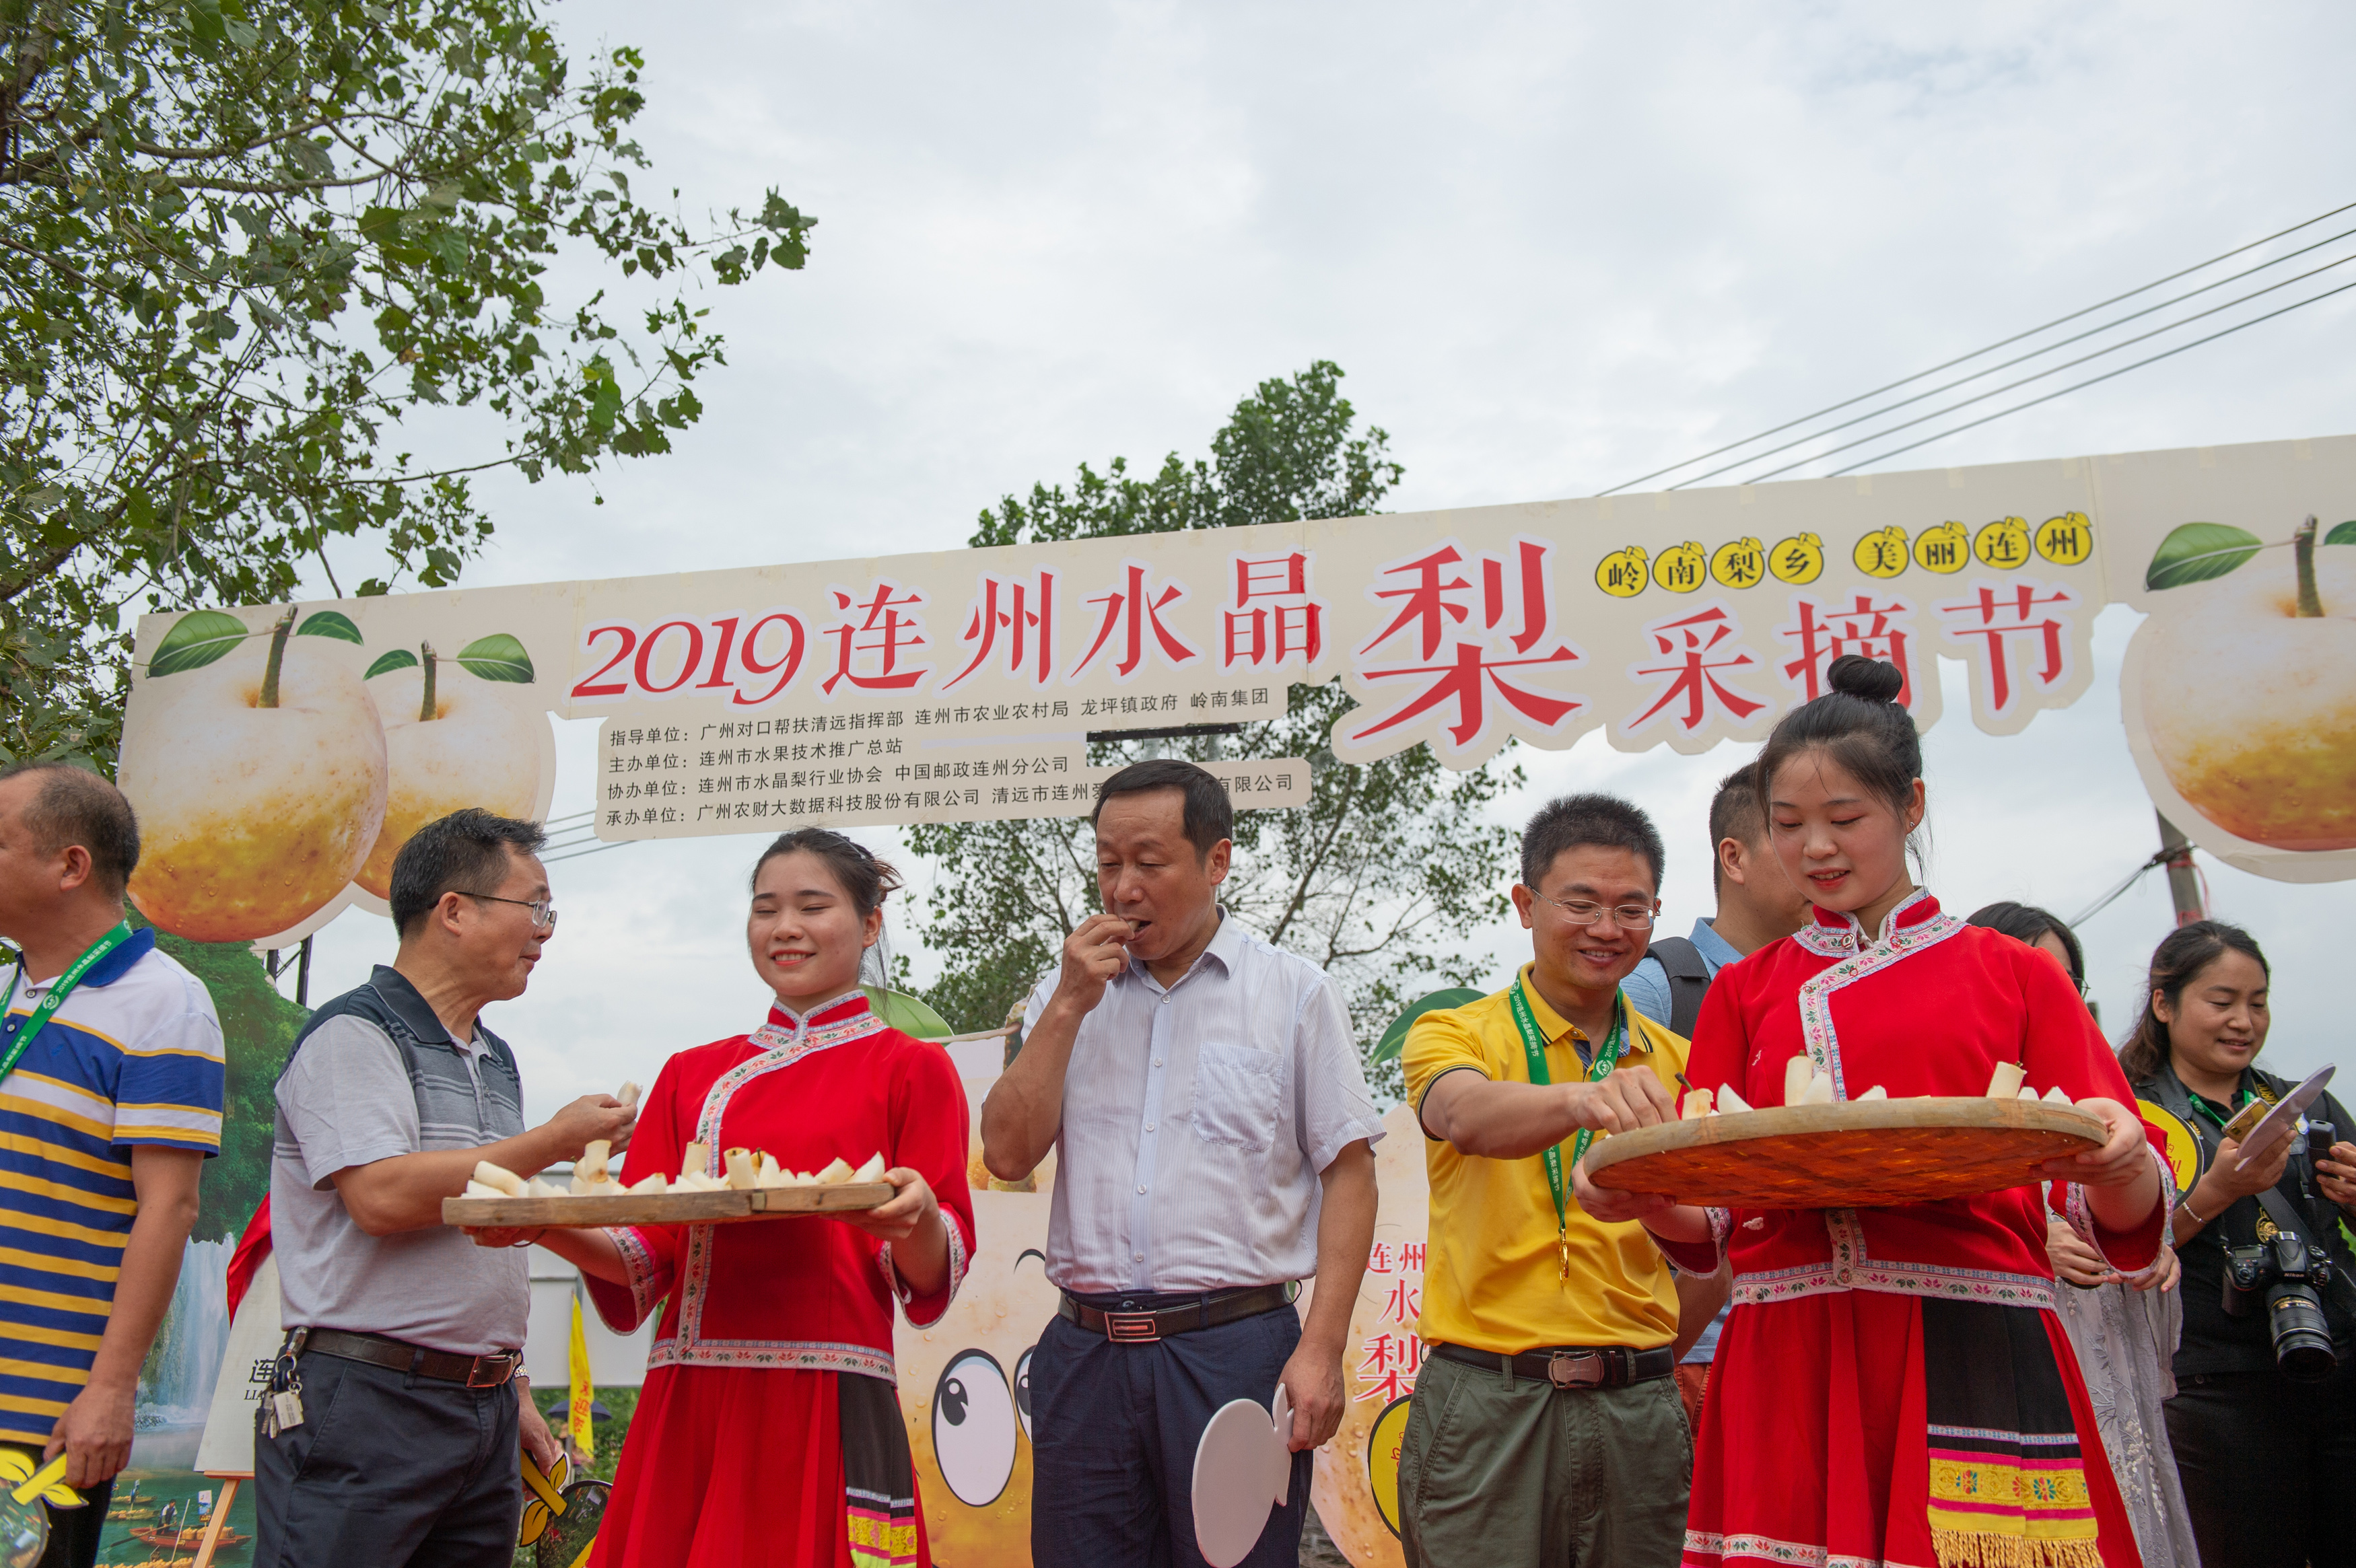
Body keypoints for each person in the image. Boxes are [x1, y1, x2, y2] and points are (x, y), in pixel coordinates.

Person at [1587, 655, 2169, 1568]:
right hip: (1790, 1343)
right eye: (1788, 824)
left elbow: (2115, 1216)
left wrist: (2122, 1162)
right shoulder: (1743, 993)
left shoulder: (2012, 974)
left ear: (1911, 806)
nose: (1815, 847)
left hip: (1968, 1329)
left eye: (1844, 817)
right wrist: (1644, 1195)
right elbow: (1716, 1219)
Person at [527, 828, 977, 1568]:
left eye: (812, 906)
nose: (785, 927)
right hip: (690, 1397)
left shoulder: (912, 1068)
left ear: (870, 924)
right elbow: (643, 1257)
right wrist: (538, 1223)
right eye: (766, 909)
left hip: (826, 1395)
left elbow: (931, 1274)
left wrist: (918, 1216)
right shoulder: (690, 1075)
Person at [981, 759, 1381, 1568]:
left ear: (1216, 859)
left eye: (1149, 862)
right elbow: (1005, 1151)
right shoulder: (1066, 993)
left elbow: (1348, 1172)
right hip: (1084, 1354)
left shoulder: (1292, 991)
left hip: (1234, 1348)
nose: (1122, 887)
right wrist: (1065, 1005)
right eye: (1107, 863)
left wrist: (1321, 1346)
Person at [255, 809, 635, 1568]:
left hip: (484, 1403)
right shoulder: (353, 1034)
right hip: (367, 1396)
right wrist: (553, 1141)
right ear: (454, 910)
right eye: (535, 906)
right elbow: (383, 1198)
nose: (545, 931)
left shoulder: (495, 1056)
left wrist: (514, 1386)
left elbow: (487, 1234)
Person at [1399, 793, 1694, 1567]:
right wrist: (1579, 1099)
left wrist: (1649, 1358)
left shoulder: (1680, 1063)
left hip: (1640, 1406)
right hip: (1488, 1402)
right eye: (1581, 903)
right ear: (1525, 903)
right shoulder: (1454, 1031)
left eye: (1630, 908)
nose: (1606, 928)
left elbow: (1713, 1243)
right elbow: (1462, 1114)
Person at [0, 763, 221, 1568]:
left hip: (39, 1417)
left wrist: (111, 1388)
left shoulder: (167, 1003)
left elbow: (170, 1207)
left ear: (71, 865)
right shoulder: (6, 989)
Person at [1967, 901, 2198, 1568]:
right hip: (2006, 1361)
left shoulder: (2102, 1095)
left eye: (2065, 980)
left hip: (2109, 1355)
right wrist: (2026, 1236)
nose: (2048, 993)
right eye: (2026, 975)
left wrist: (2151, 1242)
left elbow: (2144, 1206)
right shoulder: (1949, 1102)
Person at [2119, 920, 2355, 1568]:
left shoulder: (2307, 1106)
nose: (2244, 1022)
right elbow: (2121, 1253)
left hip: (2335, 1365)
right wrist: (2219, 1191)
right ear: (2164, 1004)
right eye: (2221, 1002)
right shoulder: (2132, 1116)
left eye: (2258, 1003)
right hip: (2214, 1385)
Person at [1624, 766, 1811, 1435]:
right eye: (1792, 831)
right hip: (1692, 1356)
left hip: (1808, 1334)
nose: (1820, 852)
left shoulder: (1828, 992)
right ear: (1733, 857)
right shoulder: (1656, 989)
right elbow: (1595, 1180)